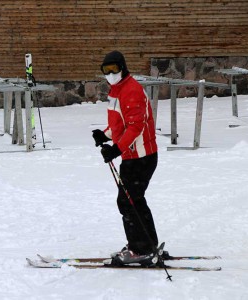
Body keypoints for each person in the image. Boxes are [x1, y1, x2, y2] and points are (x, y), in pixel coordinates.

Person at [92, 50, 160, 266]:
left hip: (141, 157)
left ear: (123, 67)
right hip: (133, 156)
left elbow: (136, 127)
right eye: (106, 70)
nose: (110, 74)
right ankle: (147, 245)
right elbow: (120, 123)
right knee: (135, 200)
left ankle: (140, 249)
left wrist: (116, 149)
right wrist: (106, 134)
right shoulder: (118, 90)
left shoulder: (131, 90)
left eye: (114, 69)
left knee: (128, 202)